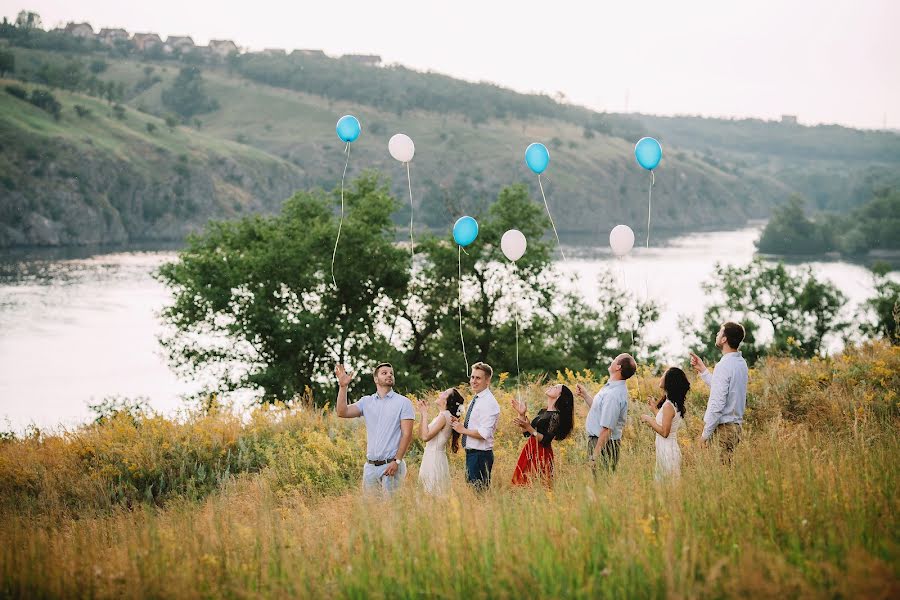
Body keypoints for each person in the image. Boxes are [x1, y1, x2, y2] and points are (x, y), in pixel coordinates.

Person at [334, 362, 415, 495]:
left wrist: (397, 461)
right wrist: (343, 387)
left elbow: (407, 434)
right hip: (370, 468)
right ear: (376, 379)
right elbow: (342, 412)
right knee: (372, 512)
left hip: (392, 465)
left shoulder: (403, 402)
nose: (389, 375)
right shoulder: (366, 402)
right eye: (384, 373)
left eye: (391, 373)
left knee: (393, 510)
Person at [689, 321, 749, 461]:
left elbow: (717, 404)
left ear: (724, 339)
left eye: (720, 332)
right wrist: (703, 370)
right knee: (726, 472)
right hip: (735, 428)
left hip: (724, 429)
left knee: (718, 475)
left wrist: (704, 435)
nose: (717, 334)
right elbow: (722, 388)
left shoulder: (724, 365)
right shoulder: (741, 363)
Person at [576, 353, 636, 471]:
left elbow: (607, 429)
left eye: (615, 359)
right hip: (600, 442)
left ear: (618, 367)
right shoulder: (611, 388)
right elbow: (600, 410)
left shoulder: (613, 394)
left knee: (601, 484)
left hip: (604, 445)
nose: (612, 361)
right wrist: (585, 395)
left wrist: (595, 456)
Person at [510, 384, 575, 486]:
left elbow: (546, 440)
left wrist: (529, 428)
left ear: (560, 395)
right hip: (530, 448)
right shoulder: (543, 411)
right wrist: (522, 414)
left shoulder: (556, 415)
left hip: (541, 453)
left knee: (535, 483)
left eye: (556, 387)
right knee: (522, 483)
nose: (551, 386)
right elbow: (526, 433)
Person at [451, 362, 500, 491]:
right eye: (472, 377)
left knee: (478, 496)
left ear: (487, 380)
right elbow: (476, 424)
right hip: (473, 454)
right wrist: (460, 423)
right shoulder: (477, 398)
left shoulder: (488, 402)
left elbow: (484, 434)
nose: (473, 381)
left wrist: (463, 430)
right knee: (473, 495)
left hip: (480, 456)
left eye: (478, 378)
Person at [640, 367, 689, 480]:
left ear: (670, 381)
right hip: (666, 450)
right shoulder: (670, 403)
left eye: (664, 375)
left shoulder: (668, 406)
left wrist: (648, 419)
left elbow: (664, 432)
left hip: (668, 452)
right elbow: (665, 421)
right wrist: (654, 409)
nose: (661, 377)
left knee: (667, 488)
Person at [416, 388, 465, 495]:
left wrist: (424, 414)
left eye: (445, 393)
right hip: (431, 456)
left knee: (432, 494)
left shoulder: (444, 416)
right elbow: (421, 434)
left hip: (434, 458)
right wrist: (422, 414)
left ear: (448, 400)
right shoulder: (442, 415)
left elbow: (425, 437)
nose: (440, 393)